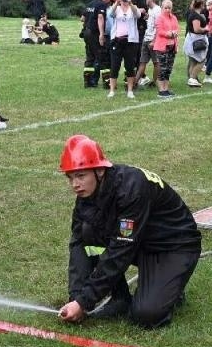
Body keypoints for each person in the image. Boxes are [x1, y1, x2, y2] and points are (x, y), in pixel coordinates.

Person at [56, 135, 201, 330]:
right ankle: (120, 299)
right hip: (141, 242)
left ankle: (172, 286)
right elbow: (79, 244)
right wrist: (76, 297)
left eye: (81, 176)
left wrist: (84, 301)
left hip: (175, 246)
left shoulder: (131, 189)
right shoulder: (87, 195)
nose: (75, 184)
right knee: (87, 231)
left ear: (99, 170)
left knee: (146, 314)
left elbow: (121, 249)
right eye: (70, 177)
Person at [103, 0, 143, 100]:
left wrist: (130, 3)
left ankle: (130, 90)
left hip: (130, 41)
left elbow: (138, 15)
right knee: (114, 66)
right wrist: (117, 2)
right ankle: (112, 90)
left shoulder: (133, 8)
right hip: (117, 40)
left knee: (130, 66)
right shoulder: (116, 8)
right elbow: (110, 14)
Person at [147, 0, 180, 98]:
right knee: (162, 68)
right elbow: (160, 31)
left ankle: (166, 88)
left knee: (169, 68)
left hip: (172, 46)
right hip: (162, 47)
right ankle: (161, 90)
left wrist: (174, 33)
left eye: (169, 8)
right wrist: (168, 34)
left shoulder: (174, 18)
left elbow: (177, 29)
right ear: (162, 8)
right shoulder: (159, 18)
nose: (167, 10)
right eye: (165, 8)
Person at [81, 0, 111, 89]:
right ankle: (107, 82)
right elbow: (100, 17)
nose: (108, 3)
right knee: (102, 56)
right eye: (109, 0)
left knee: (90, 57)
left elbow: (82, 18)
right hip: (94, 33)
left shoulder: (91, 3)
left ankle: (88, 82)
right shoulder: (102, 4)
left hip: (86, 32)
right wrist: (101, 34)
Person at [185, 0, 210, 88]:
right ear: (201, 5)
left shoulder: (193, 13)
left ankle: (192, 80)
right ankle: (192, 78)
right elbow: (197, 29)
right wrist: (206, 29)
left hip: (193, 39)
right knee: (201, 60)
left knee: (193, 61)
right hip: (196, 39)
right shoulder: (195, 16)